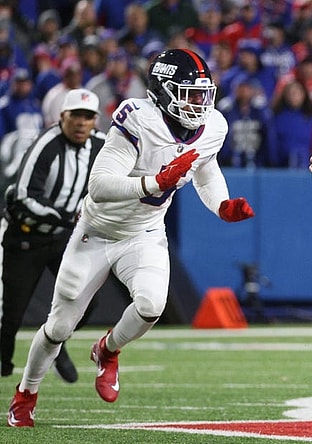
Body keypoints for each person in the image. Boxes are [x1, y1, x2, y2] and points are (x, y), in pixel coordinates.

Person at [7, 49, 255, 428]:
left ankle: (107, 350)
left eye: (202, 94)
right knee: (58, 327)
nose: (198, 103)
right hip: (97, 231)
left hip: (144, 231)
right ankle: (26, 392)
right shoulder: (139, 118)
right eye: (187, 93)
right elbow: (100, 185)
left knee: (152, 305)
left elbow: (206, 169)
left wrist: (221, 205)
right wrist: (156, 181)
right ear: (162, 90)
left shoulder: (214, 126)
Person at [1, 89, 103, 384]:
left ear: (95, 120)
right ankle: (5, 365)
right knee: (11, 319)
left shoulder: (101, 145)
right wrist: (67, 215)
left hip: (63, 239)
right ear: (62, 117)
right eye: (76, 116)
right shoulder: (46, 144)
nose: (82, 123)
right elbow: (22, 196)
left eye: (88, 117)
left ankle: (55, 341)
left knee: (87, 302)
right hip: (26, 237)